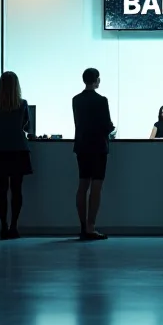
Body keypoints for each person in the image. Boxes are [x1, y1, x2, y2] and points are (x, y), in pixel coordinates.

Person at [0, 71, 32, 240]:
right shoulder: (22, 104)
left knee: (1, 189)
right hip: (18, 148)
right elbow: (25, 123)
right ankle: (14, 226)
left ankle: (3, 226)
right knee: (16, 189)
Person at [72, 68, 115, 241]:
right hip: (98, 147)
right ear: (97, 80)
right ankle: (91, 226)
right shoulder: (102, 100)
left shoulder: (76, 100)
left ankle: (83, 226)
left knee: (83, 185)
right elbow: (107, 125)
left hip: (82, 146)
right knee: (96, 187)